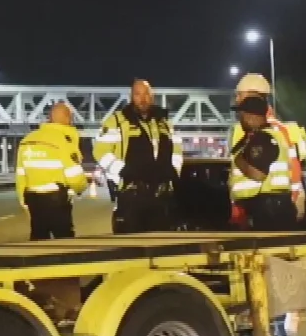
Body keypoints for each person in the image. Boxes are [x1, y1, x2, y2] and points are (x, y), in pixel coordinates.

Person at [94, 80, 182, 233]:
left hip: (161, 196)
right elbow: (100, 151)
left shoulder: (164, 122)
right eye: (138, 94)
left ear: (152, 96)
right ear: (131, 97)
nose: (143, 98)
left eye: (146, 94)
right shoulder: (117, 121)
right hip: (132, 195)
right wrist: (123, 170)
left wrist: (174, 170)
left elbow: (177, 149)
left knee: (162, 248)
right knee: (131, 249)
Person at [227, 73, 302, 230]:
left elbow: (292, 172)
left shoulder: (262, 133)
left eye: (239, 95)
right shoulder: (283, 130)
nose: (236, 99)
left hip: (268, 208)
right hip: (267, 206)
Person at [14, 102, 88, 240]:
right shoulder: (64, 141)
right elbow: (74, 175)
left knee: (38, 240)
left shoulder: (27, 140)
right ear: (68, 118)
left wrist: (24, 201)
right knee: (64, 242)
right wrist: (81, 187)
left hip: (33, 200)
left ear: (50, 117)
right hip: (57, 201)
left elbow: (20, 174)